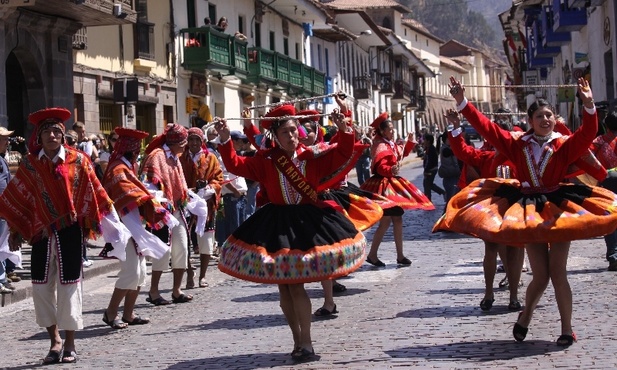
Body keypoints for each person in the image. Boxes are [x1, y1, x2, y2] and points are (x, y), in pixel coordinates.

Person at [436, 76, 617, 346]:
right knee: (540, 276)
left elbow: (587, 134)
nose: (546, 119)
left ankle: (566, 329)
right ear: (531, 120)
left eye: (549, 116)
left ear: (555, 119)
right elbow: (487, 129)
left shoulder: (563, 145)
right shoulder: (517, 144)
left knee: (558, 273)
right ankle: (526, 314)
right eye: (540, 116)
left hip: (558, 210)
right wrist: (462, 102)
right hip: (529, 211)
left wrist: (589, 105)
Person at [214, 103, 366, 361]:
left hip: (306, 224)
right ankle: (297, 340)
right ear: (275, 135)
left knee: (296, 287)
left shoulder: (313, 157)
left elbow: (343, 154)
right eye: (286, 132)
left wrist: (344, 128)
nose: (292, 135)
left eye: (294, 130)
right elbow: (235, 164)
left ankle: (306, 342)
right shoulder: (266, 161)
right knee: (284, 289)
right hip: (277, 223)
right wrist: (226, 138)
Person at [0, 107, 129, 364]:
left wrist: (112, 224)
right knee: (40, 289)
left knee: (70, 288)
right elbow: (21, 197)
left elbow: (95, 192)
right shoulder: (31, 164)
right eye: (45, 131)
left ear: (62, 135)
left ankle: (69, 342)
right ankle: (54, 339)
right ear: (39, 136)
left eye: (55, 132)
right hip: (40, 235)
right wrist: (15, 230)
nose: (51, 136)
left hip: (70, 233)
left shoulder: (78, 160)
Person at [443, 108, 524, 311]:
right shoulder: (488, 157)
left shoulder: (521, 158)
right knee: (491, 249)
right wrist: (455, 127)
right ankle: (489, 293)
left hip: (516, 209)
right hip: (493, 210)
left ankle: (514, 296)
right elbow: (463, 152)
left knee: (515, 251)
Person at [101, 127, 175, 329]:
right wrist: (149, 199)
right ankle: (110, 312)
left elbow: (137, 191)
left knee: (141, 272)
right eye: (135, 149)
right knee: (131, 272)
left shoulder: (128, 167)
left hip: (135, 225)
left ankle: (128, 313)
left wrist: (151, 199)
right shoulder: (118, 168)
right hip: (124, 226)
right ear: (130, 150)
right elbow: (127, 193)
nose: (137, 153)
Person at [361, 113, 434, 267]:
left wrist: (409, 142)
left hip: (390, 183)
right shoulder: (380, 145)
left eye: (393, 129)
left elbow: (401, 154)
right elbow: (379, 167)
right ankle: (384, 255)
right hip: (384, 185)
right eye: (390, 129)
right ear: (383, 131)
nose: (393, 132)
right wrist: (390, 169)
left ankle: (384, 254)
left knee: (393, 220)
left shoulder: (389, 143)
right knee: (390, 220)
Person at [140, 123, 193, 305]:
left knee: (182, 248)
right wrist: (160, 203)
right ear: (176, 141)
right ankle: (153, 291)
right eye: (183, 142)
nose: (185, 145)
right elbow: (149, 182)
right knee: (162, 251)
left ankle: (177, 291)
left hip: (176, 209)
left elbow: (179, 183)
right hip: (161, 212)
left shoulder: (175, 156)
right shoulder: (157, 156)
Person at [180, 127, 223, 289]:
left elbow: (218, 179)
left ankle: (202, 276)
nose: (194, 143)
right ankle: (190, 271)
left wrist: (207, 189)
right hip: (185, 204)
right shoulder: (180, 158)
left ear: (202, 141)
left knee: (205, 242)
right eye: (191, 139)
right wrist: (188, 191)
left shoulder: (211, 158)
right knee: (184, 242)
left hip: (206, 206)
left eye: (197, 139)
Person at [437, 132, 461, 204]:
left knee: (453, 198)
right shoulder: (445, 149)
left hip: (452, 176)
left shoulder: (447, 148)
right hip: (450, 177)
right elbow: (455, 153)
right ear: (446, 139)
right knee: (451, 199)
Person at [422, 133, 445, 202]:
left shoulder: (431, 149)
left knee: (426, 184)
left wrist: (426, 170)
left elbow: (429, 162)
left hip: (430, 170)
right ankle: (442, 192)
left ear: (428, 141)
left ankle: (428, 200)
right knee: (429, 184)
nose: (424, 141)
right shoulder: (429, 148)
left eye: (425, 140)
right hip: (431, 169)